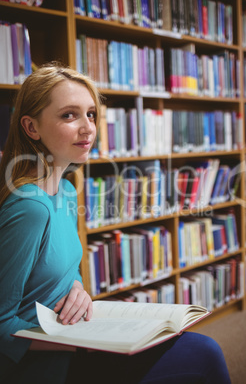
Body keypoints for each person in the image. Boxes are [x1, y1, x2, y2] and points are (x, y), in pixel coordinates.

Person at [0, 63, 231, 384]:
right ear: (31, 127)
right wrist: (81, 344)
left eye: (91, 114)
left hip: (72, 335)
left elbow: (60, 267)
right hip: (45, 362)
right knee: (204, 356)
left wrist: (77, 288)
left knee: (201, 348)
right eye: (69, 115)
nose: (87, 128)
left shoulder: (66, 188)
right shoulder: (30, 206)